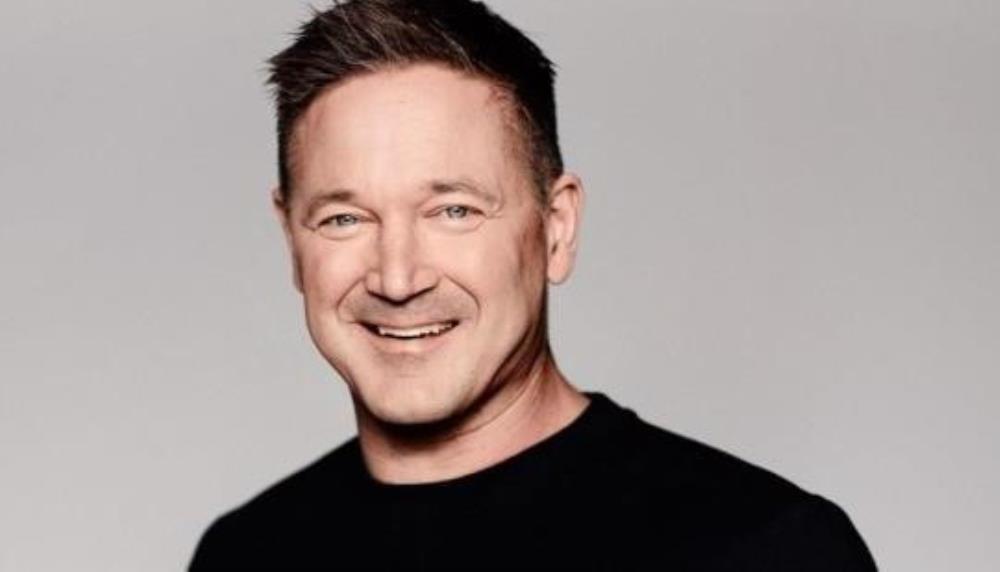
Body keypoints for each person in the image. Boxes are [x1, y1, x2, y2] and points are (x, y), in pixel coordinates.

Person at [190, 1, 877, 569]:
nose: (398, 277)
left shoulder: (767, 549)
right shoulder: (244, 553)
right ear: (292, 238)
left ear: (556, 227)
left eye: (453, 211)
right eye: (344, 218)